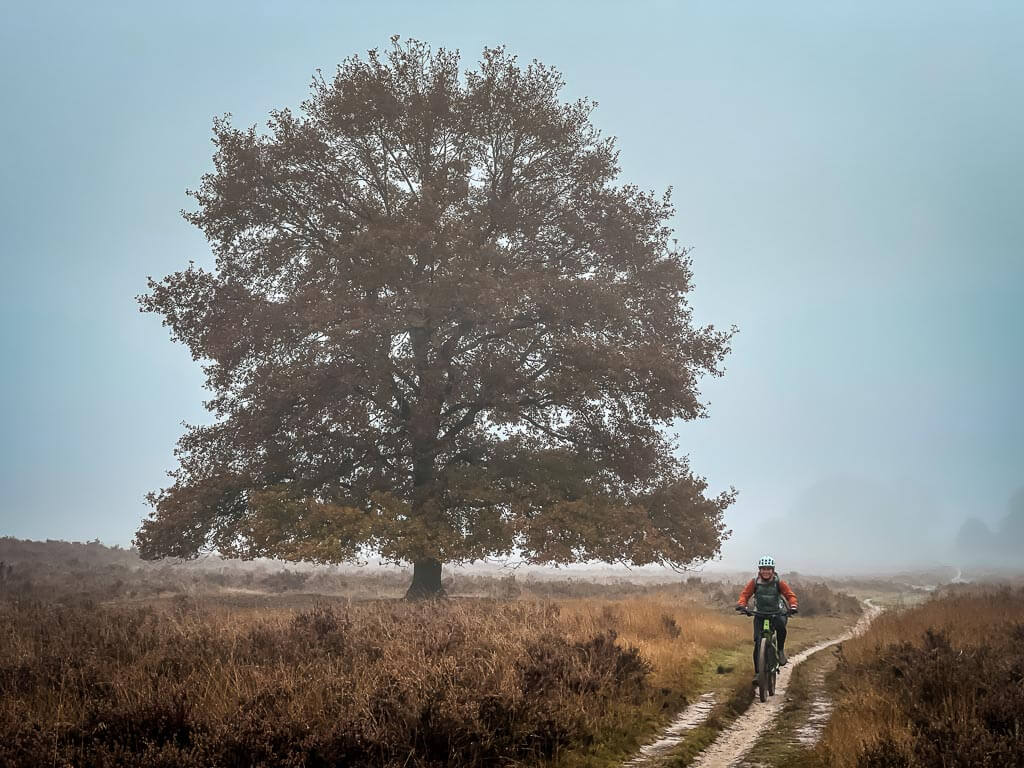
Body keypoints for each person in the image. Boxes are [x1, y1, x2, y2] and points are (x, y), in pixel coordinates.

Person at [735, 556, 798, 676]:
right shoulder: (754, 582)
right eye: (763, 569)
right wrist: (742, 605)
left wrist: (793, 606)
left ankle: (780, 650)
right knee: (758, 643)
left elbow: (790, 595)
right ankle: (758, 673)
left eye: (768, 569)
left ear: (773, 570)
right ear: (759, 570)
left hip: (777, 613)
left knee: (781, 628)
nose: (766, 571)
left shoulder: (779, 582)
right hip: (760, 614)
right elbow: (744, 595)